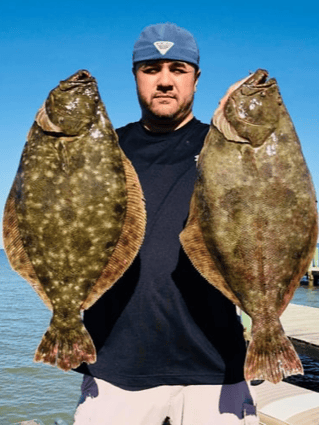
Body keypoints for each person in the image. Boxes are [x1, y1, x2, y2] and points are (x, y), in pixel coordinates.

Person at [73, 23, 259, 425]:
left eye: (178, 68)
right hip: (113, 368)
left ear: (195, 77)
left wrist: (238, 127)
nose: (164, 81)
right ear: (135, 74)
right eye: (151, 68)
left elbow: (269, 217)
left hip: (216, 368)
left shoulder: (228, 149)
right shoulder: (100, 149)